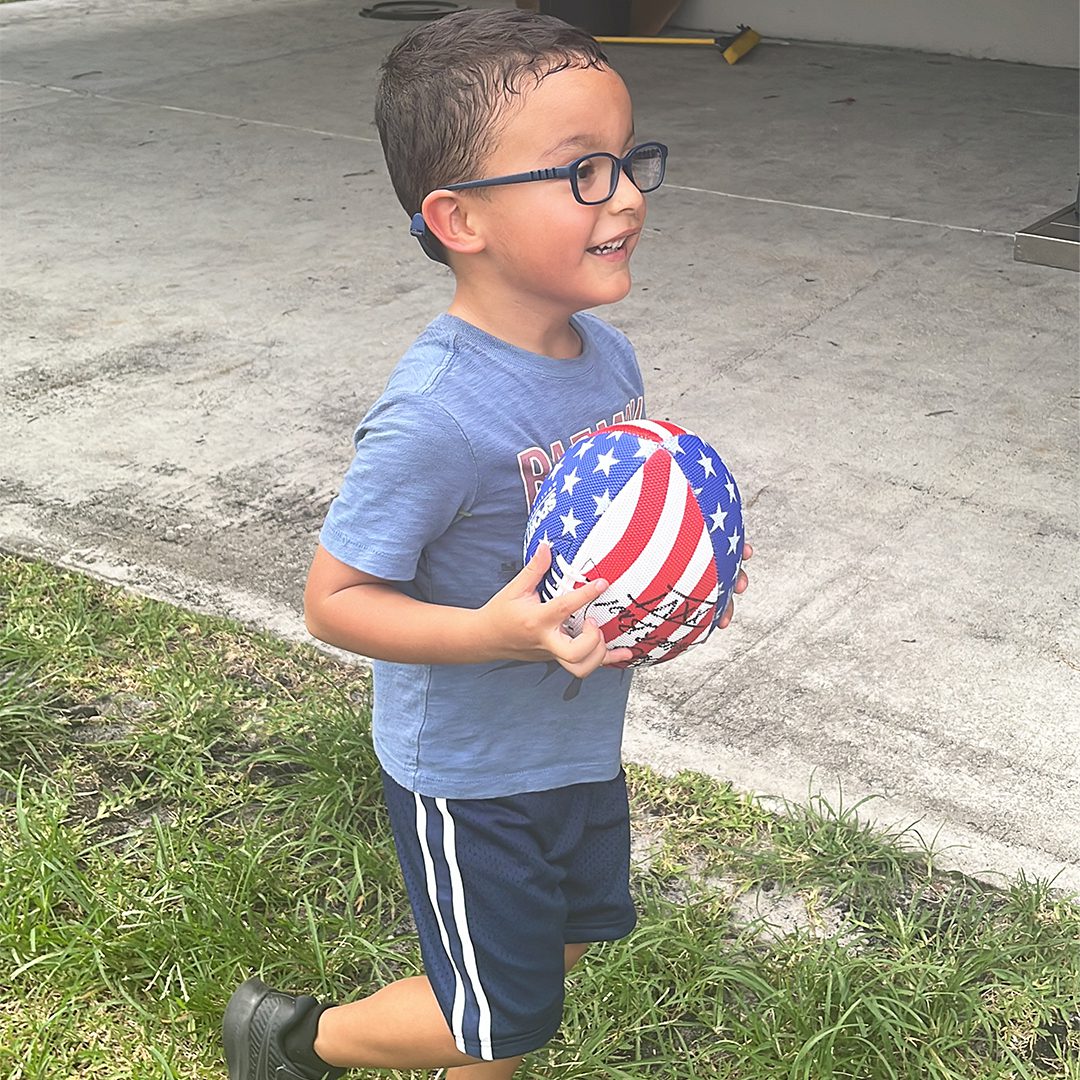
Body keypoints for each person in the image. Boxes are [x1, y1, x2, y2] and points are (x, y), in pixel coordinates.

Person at [222, 10, 750, 1079]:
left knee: (544, 959)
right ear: (459, 219)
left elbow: (611, 522)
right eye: (582, 173)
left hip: (572, 740)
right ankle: (289, 1039)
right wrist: (492, 632)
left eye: (630, 159)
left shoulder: (605, 356)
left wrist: (684, 571)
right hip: (470, 770)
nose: (630, 194)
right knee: (497, 1018)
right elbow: (336, 600)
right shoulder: (435, 414)